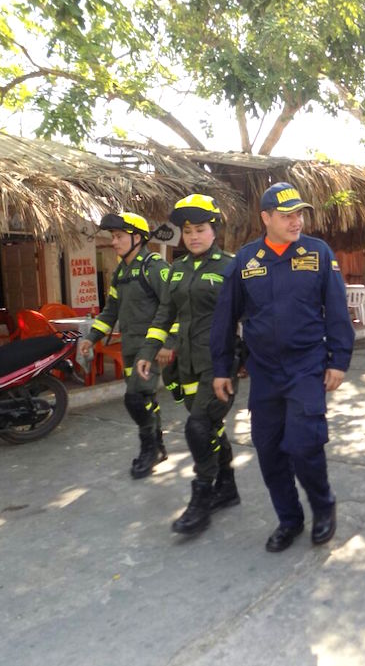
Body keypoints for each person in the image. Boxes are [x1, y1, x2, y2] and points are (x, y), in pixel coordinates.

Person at [210, 182, 354, 554]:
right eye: (287, 215)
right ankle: (289, 519)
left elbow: (338, 310)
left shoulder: (317, 253)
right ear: (266, 218)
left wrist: (339, 360)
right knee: (269, 448)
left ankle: (323, 507)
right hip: (264, 372)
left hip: (306, 366)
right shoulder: (246, 260)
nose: (296, 221)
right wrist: (222, 368)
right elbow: (226, 317)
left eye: (299, 214)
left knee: (305, 444)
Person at [136, 194, 241, 535]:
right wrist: (148, 351)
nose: (193, 236)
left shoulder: (231, 268)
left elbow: (252, 317)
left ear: (214, 231)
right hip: (187, 367)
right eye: (187, 230)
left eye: (200, 229)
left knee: (197, 428)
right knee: (210, 428)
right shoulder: (176, 271)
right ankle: (228, 486)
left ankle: (203, 495)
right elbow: (165, 314)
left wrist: (247, 358)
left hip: (220, 365)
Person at [78, 212, 171, 478]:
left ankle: (149, 450)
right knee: (146, 398)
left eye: (119, 237)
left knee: (135, 398)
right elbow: (110, 312)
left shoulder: (155, 267)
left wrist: (168, 342)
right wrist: (90, 338)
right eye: (113, 237)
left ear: (138, 238)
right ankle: (159, 446)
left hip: (150, 347)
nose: (114, 242)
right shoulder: (121, 273)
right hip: (129, 348)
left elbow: (173, 306)